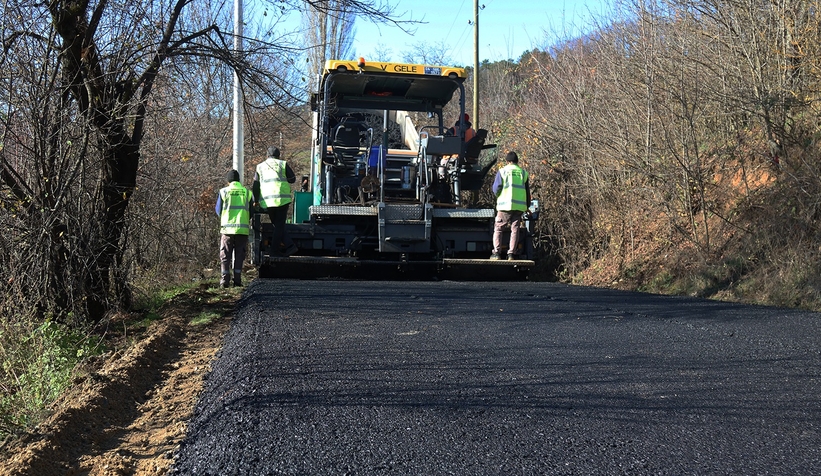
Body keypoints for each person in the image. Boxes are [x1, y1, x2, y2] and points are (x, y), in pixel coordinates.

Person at [252, 146, 297, 256]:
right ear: (278, 156)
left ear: (267, 155)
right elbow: (292, 179)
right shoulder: (282, 164)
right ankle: (278, 250)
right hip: (282, 199)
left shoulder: (260, 167)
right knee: (279, 225)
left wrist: (255, 200)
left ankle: (289, 247)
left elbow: (255, 186)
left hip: (268, 201)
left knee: (277, 225)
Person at [491, 151, 531, 261]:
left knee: (499, 228)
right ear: (517, 161)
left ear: (507, 161)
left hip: (505, 206)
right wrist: (527, 206)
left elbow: (496, 189)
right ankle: (511, 254)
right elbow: (527, 192)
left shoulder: (503, 171)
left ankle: (497, 253)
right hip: (518, 207)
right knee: (515, 230)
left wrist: (499, 196)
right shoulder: (523, 173)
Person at [216, 169, 253, 288]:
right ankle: (237, 280)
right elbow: (251, 211)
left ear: (228, 181)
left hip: (227, 230)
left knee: (225, 255)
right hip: (242, 229)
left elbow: (218, 210)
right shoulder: (247, 192)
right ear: (239, 180)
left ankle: (224, 280)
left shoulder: (223, 192)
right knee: (239, 255)